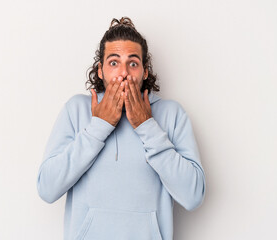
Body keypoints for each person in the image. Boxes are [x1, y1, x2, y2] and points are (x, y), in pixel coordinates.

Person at [37, 17, 206, 240]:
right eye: (114, 62)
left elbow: (193, 196)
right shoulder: (76, 110)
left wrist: (147, 126)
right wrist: (99, 126)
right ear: (100, 70)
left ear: (145, 72)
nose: (123, 73)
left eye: (133, 63)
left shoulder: (171, 114)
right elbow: (47, 189)